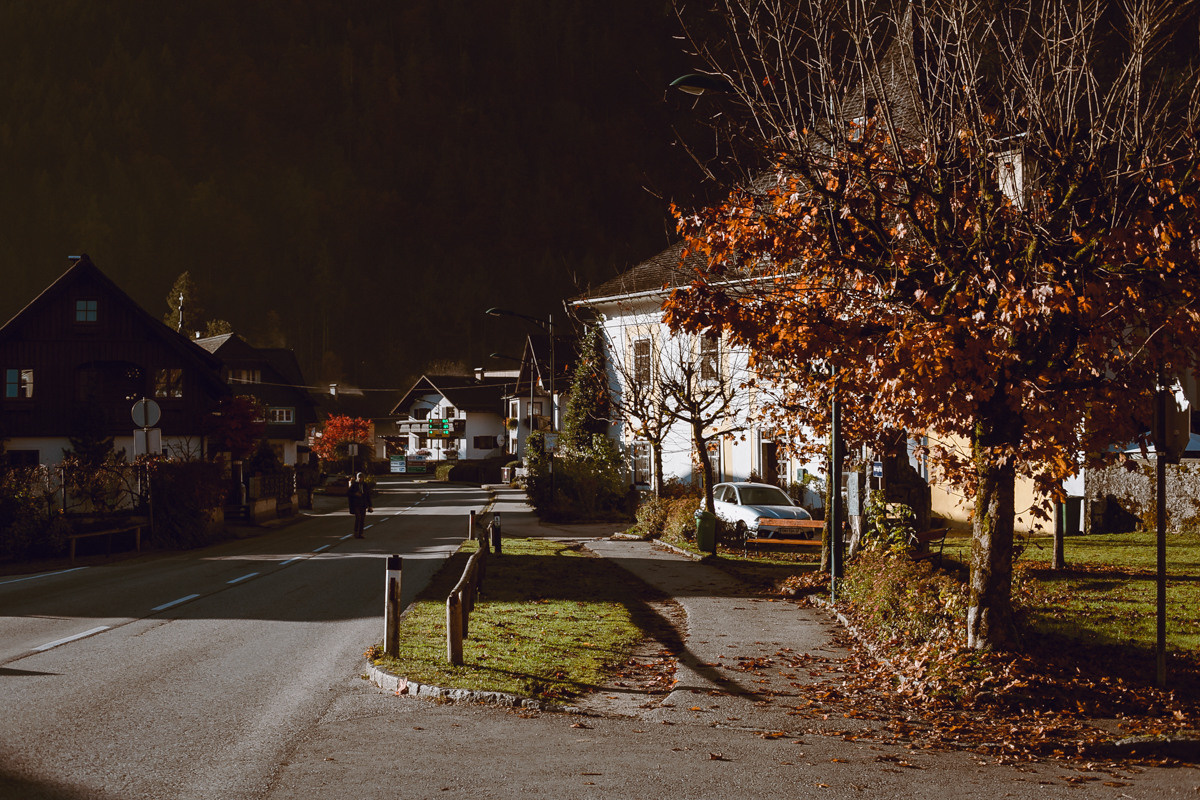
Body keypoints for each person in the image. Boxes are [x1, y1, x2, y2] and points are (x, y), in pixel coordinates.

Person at [347, 472, 373, 537]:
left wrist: (370, 506)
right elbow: (348, 493)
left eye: (361, 477)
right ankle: (356, 532)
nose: (360, 479)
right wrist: (355, 494)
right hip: (356, 504)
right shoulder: (354, 485)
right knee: (358, 517)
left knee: (362, 519)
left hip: (363, 504)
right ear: (357, 478)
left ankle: (361, 533)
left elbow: (368, 495)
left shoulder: (365, 485)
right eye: (359, 477)